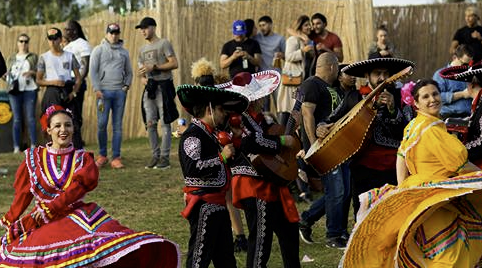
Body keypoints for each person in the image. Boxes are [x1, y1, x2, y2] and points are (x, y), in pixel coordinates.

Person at [0, 104, 180, 267]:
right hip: (42, 219)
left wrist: (51, 208)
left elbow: (77, 188)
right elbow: (23, 194)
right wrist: (10, 219)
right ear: (48, 130)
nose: (63, 130)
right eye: (57, 126)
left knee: (88, 253)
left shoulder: (82, 159)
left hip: (76, 216)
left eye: (68, 125)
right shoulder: (34, 158)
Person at [341, 79, 482, 267]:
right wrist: (479, 175)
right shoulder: (432, 130)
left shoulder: (414, 125)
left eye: (435, 94)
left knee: (429, 249)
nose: (432, 99)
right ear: (416, 103)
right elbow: (460, 164)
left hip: (419, 191)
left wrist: (403, 190)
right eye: (426, 96)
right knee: (449, 253)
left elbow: (401, 155)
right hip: (434, 195)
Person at [218, 71, 301, 268]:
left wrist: (291, 128)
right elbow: (251, 142)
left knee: (289, 229)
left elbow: (266, 138)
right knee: (261, 239)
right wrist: (281, 141)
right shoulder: (235, 119)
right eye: (259, 95)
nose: (263, 98)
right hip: (252, 185)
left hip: (270, 181)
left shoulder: (259, 118)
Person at [177, 82, 249, 268]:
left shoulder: (213, 135)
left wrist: (237, 140)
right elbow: (192, 169)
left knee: (226, 259)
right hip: (204, 206)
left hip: (219, 206)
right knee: (199, 259)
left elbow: (232, 163)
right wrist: (221, 157)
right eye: (220, 109)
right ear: (209, 109)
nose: (224, 113)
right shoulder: (193, 136)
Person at [337, 56, 415, 218]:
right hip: (362, 166)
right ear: (367, 76)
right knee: (364, 213)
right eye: (377, 73)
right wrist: (321, 127)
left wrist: (393, 110)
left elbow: (409, 131)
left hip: (394, 166)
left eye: (386, 73)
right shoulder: (354, 97)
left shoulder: (401, 96)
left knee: (393, 213)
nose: (382, 78)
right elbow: (332, 119)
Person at [190, 57, 248, 252]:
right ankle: (237, 236)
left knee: (227, 195)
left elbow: (227, 124)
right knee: (226, 196)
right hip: (220, 150)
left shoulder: (215, 101)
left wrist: (227, 138)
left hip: (222, 150)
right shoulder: (213, 98)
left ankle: (239, 236)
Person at [298, 53, 350, 248]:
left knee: (341, 192)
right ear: (331, 67)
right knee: (336, 191)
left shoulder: (332, 88)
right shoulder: (312, 84)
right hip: (323, 148)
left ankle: (306, 219)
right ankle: (333, 236)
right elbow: (306, 113)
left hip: (337, 147)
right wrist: (314, 145)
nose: (338, 72)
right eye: (337, 68)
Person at [136, 16, 179, 169]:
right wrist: (143, 79)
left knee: (166, 123)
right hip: (150, 89)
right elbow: (141, 72)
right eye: (141, 28)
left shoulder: (163, 43)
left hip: (164, 87)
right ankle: (155, 155)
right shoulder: (141, 50)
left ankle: (165, 158)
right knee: (150, 123)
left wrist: (155, 67)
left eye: (145, 27)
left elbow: (174, 63)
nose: (143, 31)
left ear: (153, 27)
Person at [89, 23, 132, 169]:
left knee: (117, 126)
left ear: (119, 34)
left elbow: (129, 72)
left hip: (119, 93)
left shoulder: (124, 52)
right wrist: (96, 89)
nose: (114, 35)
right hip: (103, 93)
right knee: (101, 124)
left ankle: (116, 157)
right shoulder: (98, 50)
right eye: (111, 33)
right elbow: (93, 71)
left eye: (116, 33)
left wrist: (126, 86)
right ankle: (102, 155)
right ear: (107, 34)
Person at [36, 28, 81, 125]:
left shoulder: (70, 56)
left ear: (60, 39)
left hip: (67, 91)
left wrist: (73, 93)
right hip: (51, 93)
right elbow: (38, 80)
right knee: (51, 122)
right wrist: (52, 82)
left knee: (72, 122)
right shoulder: (43, 57)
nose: (52, 42)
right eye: (50, 39)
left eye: (55, 39)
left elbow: (78, 77)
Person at [277, 15, 314, 126]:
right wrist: (302, 51)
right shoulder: (293, 40)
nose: (309, 27)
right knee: (288, 109)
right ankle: (283, 137)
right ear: (300, 26)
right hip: (292, 81)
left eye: (309, 25)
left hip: (301, 81)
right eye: (306, 25)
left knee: (295, 111)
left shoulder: (306, 41)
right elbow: (289, 57)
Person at [5, 33, 38, 153]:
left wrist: (32, 73)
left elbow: (39, 72)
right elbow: (6, 75)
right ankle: (16, 147)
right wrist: (7, 77)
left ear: (28, 43)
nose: (23, 44)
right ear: (17, 43)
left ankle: (34, 146)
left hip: (30, 90)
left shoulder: (33, 57)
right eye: (21, 41)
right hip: (14, 92)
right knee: (17, 119)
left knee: (31, 118)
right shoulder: (11, 58)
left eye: (25, 41)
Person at [63, 20, 92, 149]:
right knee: (67, 115)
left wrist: (77, 86)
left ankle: (78, 146)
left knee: (76, 116)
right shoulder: (67, 46)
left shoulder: (83, 44)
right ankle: (70, 145)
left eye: (67, 29)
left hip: (77, 84)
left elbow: (85, 67)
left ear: (74, 31)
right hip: (66, 84)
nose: (65, 32)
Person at [254, 15, 286, 112]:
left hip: (276, 76)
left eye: (264, 25)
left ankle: (281, 126)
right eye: (260, 26)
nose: (261, 28)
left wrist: (282, 55)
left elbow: (287, 56)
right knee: (264, 108)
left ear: (271, 25)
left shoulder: (280, 39)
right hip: (262, 77)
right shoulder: (256, 38)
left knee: (279, 105)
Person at [433, 44, 473, 118]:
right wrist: (462, 94)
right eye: (464, 64)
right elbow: (436, 97)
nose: (467, 67)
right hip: (449, 117)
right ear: (454, 58)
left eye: (469, 65)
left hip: (470, 117)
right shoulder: (440, 74)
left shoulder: (470, 74)